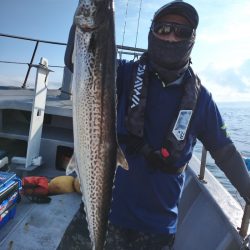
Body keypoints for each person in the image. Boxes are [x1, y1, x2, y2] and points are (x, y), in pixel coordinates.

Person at [62, 1, 250, 249]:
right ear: (153, 32)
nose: (171, 36)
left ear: (192, 39)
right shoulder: (122, 74)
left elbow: (225, 152)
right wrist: (86, 21)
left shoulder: (201, 100)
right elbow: (75, 61)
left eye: (181, 31)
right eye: (163, 28)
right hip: (102, 210)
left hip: (156, 231)